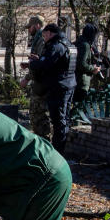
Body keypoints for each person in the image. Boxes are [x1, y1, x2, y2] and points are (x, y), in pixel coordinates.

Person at [28, 23, 76, 154]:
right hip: (69, 85)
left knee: (59, 121)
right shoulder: (69, 44)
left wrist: (33, 63)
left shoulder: (56, 46)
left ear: (50, 33)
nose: (44, 38)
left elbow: (46, 64)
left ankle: (57, 153)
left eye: (44, 35)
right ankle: (60, 150)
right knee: (64, 119)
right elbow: (59, 63)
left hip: (58, 87)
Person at [19, 17, 51, 141]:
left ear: (37, 25)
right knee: (35, 115)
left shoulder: (41, 40)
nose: (29, 30)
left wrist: (27, 78)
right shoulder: (37, 39)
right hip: (38, 83)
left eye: (30, 27)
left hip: (41, 85)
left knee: (39, 115)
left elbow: (41, 63)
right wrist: (29, 65)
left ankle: (44, 142)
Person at [73, 23, 101, 105]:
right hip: (81, 81)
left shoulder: (78, 42)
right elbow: (82, 63)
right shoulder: (85, 45)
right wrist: (93, 68)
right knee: (79, 106)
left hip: (75, 79)